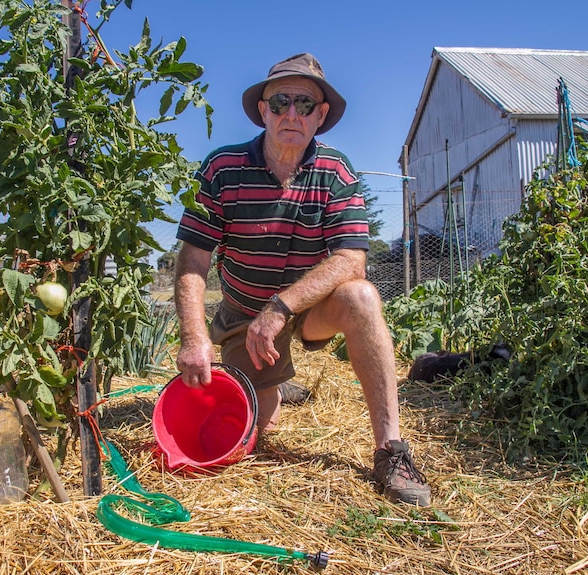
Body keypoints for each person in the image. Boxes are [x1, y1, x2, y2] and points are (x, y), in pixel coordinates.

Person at [173, 53, 430, 506]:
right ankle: (275, 384)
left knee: (361, 297)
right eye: (281, 102)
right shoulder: (221, 170)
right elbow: (193, 260)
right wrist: (195, 338)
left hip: (303, 312)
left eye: (306, 104)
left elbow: (352, 260)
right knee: (255, 427)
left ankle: (390, 449)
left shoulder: (335, 172)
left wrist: (280, 308)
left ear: (321, 115)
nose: (292, 114)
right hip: (243, 316)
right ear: (262, 110)